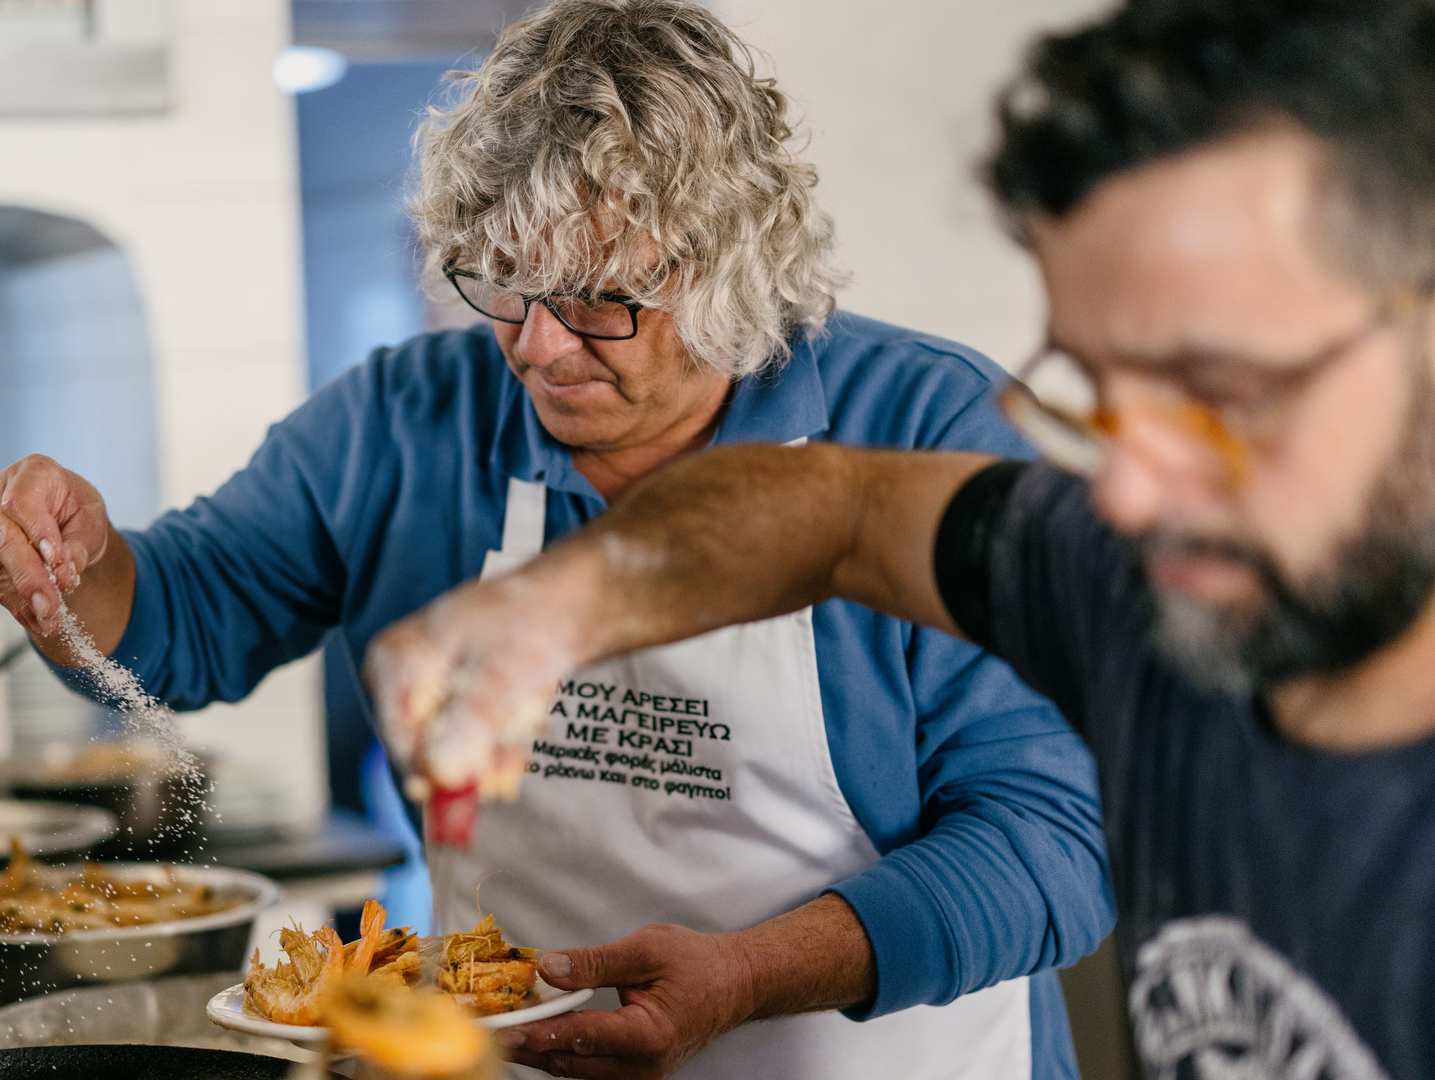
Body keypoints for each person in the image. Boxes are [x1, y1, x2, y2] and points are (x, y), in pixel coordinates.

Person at [0, 2, 1112, 1077]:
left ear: (732, 261)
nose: (541, 349)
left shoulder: (934, 433)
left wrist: (748, 974)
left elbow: (1058, 837)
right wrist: (81, 565)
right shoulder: (406, 424)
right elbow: (185, 617)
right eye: (503, 283)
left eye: (603, 297)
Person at [365, 1, 1435, 1077]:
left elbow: (1040, 841)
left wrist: (751, 971)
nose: (1125, 494)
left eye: (1220, 392)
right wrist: (551, 611)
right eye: (1099, 392)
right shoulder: (1119, 586)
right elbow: (838, 513)